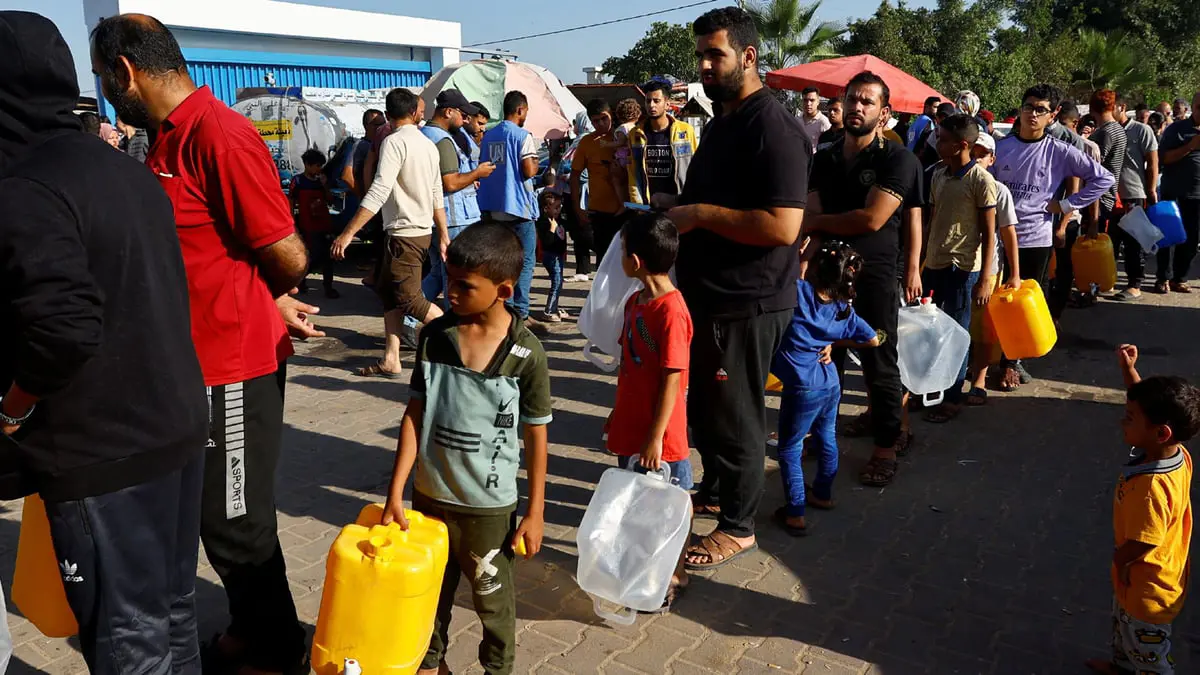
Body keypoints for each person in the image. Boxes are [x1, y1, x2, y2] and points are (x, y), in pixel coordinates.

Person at [91, 14, 317, 674]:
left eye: (106, 77)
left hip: (235, 367)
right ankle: (254, 626)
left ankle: (278, 648)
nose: (107, 89)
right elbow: (211, 242)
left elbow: (286, 252)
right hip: (192, 366)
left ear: (125, 71)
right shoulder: (167, 139)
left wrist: (268, 293)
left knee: (236, 520)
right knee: (211, 517)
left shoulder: (219, 134)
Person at [1, 12, 208, 672]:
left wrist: (11, 407)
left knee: (129, 638)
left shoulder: (25, 188)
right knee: (173, 614)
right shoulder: (125, 169)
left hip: (105, 454)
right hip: (174, 428)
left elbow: (63, 327)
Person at [666, 6, 808, 569]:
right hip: (711, 293)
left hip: (748, 298)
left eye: (715, 54)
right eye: (700, 54)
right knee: (709, 407)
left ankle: (739, 526)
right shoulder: (723, 119)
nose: (704, 64)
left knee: (738, 412)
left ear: (749, 56)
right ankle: (722, 488)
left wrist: (697, 213)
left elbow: (783, 226)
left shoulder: (771, 126)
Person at [380, 223, 551, 675]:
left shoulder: (526, 354)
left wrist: (535, 513)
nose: (449, 292)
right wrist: (396, 492)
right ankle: (429, 664)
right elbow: (415, 415)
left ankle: (497, 668)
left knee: (493, 602)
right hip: (429, 498)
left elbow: (536, 436)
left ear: (503, 289)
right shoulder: (435, 339)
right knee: (429, 593)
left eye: (464, 285)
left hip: (489, 510)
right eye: (448, 278)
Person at [806, 71, 922, 487]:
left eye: (868, 102)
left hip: (873, 276)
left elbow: (873, 219)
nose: (857, 106)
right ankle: (822, 435)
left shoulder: (897, 159)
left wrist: (819, 221)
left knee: (878, 360)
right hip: (825, 275)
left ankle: (886, 447)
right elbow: (812, 216)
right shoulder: (824, 156)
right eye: (853, 99)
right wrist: (807, 253)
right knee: (824, 357)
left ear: (885, 113)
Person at [1084, 345, 1197, 675]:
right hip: (1136, 583)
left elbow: (1146, 540)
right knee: (1124, 632)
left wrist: (1120, 560)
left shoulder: (1151, 487)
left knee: (1148, 652)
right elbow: (1146, 403)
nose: (1123, 420)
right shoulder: (1173, 453)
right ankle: (1120, 666)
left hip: (1147, 588)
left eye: (1130, 418)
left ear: (1160, 432)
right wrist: (1129, 371)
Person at [993, 84, 1113, 391]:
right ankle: (988, 356)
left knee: (1023, 302)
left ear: (1053, 115)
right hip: (996, 238)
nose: (1032, 114)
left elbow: (1103, 179)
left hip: (1035, 237)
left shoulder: (1060, 151)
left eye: (1041, 109)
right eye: (1028, 106)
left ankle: (1013, 362)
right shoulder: (1000, 147)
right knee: (993, 298)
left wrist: (1065, 207)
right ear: (1019, 109)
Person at [605, 211, 693, 605]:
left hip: (661, 437)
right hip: (633, 424)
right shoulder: (636, 301)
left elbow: (673, 378)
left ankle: (672, 575)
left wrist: (655, 439)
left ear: (636, 261)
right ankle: (654, 567)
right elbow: (629, 363)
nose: (619, 256)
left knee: (670, 506)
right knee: (641, 503)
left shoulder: (671, 312)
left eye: (622, 250)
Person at [332, 87, 448, 378]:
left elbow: (379, 190)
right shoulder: (427, 145)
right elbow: (437, 194)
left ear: (387, 115)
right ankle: (391, 358)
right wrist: (443, 234)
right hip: (412, 232)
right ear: (414, 113)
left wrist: (347, 233)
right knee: (388, 294)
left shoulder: (394, 142)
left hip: (405, 234)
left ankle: (461, 340)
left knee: (410, 300)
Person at [770, 241, 879, 537]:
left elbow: (784, 273)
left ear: (817, 268)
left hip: (803, 387)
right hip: (830, 383)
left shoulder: (800, 294)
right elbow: (873, 340)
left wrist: (798, 253)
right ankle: (823, 493)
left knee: (790, 448)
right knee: (827, 437)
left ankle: (795, 513)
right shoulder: (844, 311)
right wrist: (834, 341)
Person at [921, 115, 1018, 422]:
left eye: (943, 139)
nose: (937, 143)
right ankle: (930, 390)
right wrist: (919, 260)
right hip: (934, 263)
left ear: (962, 145)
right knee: (931, 330)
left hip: (964, 268)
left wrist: (986, 278)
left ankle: (952, 396)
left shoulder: (981, 180)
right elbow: (932, 220)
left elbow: (990, 233)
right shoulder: (938, 175)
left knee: (958, 333)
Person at [477, 91, 547, 335]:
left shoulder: (489, 136)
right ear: (520, 110)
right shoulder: (522, 136)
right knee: (525, 262)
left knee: (501, 263)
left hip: (493, 206)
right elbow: (528, 170)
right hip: (518, 208)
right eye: (526, 111)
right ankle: (521, 313)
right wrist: (537, 164)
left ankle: (502, 309)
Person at [421, 89, 495, 309]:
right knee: (453, 276)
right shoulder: (442, 139)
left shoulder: (426, 134)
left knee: (438, 272)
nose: (466, 119)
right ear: (448, 112)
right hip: (454, 218)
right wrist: (476, 174)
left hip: (437, 216)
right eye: (462, 114)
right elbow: (450, 183)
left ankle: (408, 316)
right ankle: (448, 323)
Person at [965, 132, 1019, 405]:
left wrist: (1014, 274)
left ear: (992, 159)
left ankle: (979, 378)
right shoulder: (953, 182)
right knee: (957, 325)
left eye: (981, 155)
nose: (975, 159)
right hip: (956, 265)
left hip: (988, 269)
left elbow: (1009, 235)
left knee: (985, 329)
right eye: (971, 153)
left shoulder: (1000, 191)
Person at [1112, 92, 1160, 302]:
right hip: (1110, 196)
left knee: (1133, 242)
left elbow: (1152, 162)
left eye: (1111, 108)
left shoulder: (1142, 130)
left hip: (1133, 194)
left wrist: (1150, 191)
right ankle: (1106, 280)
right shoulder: (1107, 131)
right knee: (1111, 241)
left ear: (1121, 107)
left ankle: (1135, 285)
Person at [1154, 91, 1200, 294]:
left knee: (1191, 240)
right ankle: (1162, 277)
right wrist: (1190, 147)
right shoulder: (1177, 130)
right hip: (1174, 193)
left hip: (1197, 196)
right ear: (1193, 108)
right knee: (1167, 238)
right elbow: (1162, 158)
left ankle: (1179, 278)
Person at [626, 80, 698, 207]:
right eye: (648, 101)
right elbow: (632, 173)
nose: (651, 105)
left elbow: (696, 167)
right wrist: (637, 205)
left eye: (656, 101)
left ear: (667, 104)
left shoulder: (685, 130)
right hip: (647, 206)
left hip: (678, 205)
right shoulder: (635, 134)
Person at [571, 98, 625, 263]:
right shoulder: (587, 143)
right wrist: (578, 208)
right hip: (599, 213)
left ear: (611, 115)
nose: (600, 123)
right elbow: (574, 175)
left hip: (626, 211)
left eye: (604, 118)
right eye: (595, 121)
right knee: (604, 262)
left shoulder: (623, 136)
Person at [289, 149, 339, 299]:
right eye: (316, 165)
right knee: (313, 256)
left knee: (328, 257)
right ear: (307, 165)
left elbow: (330, 200)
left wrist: (325, 186)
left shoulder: (321, 181)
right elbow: (291, 201)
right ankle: (300, 280)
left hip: (324, 224)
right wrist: (292, 221)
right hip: (307, 225)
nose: (319, 169)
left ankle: (328, 288)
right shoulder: (297, 181)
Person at [1087, 90, 1128, 257]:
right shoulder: (1118, 129)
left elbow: (1095, 168)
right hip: (1108, 194)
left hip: (1100, 197)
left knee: (1093, 248)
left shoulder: (1106, 132)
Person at [534, 191, 568, 322]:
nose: (558, 210)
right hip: (551, 255)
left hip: (558, 255)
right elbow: (547, 242)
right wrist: (552, 229)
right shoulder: (544, 222)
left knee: (558, 282)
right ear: (546, 208)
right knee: (557, 282)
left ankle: (554, 306)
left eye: (560, 207)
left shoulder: (559, 219)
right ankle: (549, 310)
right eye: (556, 208)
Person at [798, 86, 830, 152]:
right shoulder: (797, 120)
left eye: (812, 100)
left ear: (818, 102)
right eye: (805, 100)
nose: (808, 104)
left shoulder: (824, 122)